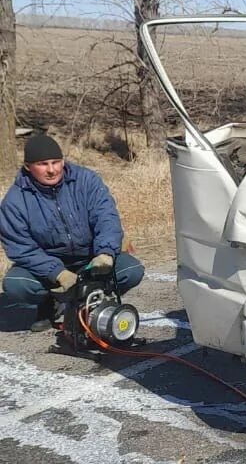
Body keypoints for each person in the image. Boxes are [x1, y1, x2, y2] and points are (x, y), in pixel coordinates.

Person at [0, 134, 145, 331]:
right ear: (28, 167)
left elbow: (106, 218)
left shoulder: (87, 181)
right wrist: (56, 273)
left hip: (90, 258)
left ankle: (92, 302)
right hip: (50, 268)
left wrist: (105, 253)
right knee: (16, 284)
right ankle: (49, 305)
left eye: (56, 162)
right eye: (43, 164)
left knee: (131, 270)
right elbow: (21, 248)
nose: (51, 170)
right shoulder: (14, 201)